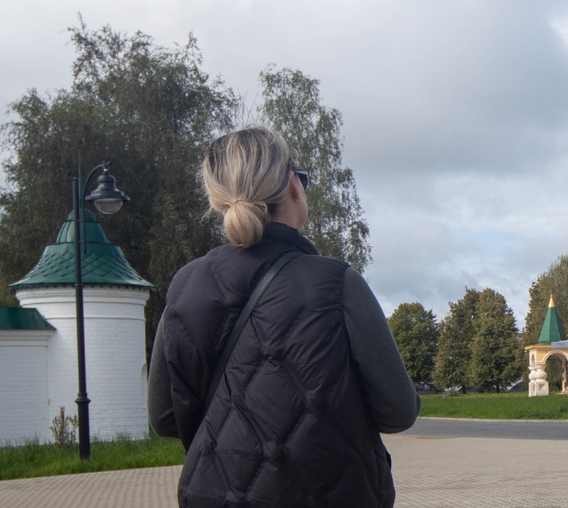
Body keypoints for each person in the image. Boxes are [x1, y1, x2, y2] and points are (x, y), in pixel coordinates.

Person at [147, 126, 419, 507]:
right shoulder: (337, 284)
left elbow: (163, 418)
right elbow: (399, 411)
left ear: (217, 198)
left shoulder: (184, 287)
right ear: (294, 185)